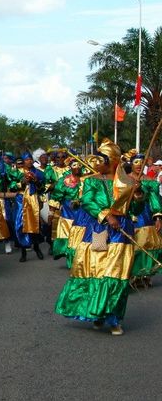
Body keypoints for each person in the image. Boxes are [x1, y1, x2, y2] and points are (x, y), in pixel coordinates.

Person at [55, 139, 140, 336]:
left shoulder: (127, 182)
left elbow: (135, 209)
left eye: (100, 159)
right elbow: (87, 201)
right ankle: (98, 313)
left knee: (116, 274)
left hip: (121, 232)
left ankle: (114, 318)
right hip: (99, 230)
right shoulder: (91, 180)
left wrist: (139, 194)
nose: (95, 163)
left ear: (112, 161)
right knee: (98, 270)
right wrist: (106, 215)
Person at [127, 153, 162, 287]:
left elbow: (154, 200)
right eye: (136, 162)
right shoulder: (124, 179)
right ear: (131, 164)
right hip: (130, 215)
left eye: (142, 162)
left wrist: (158, 217)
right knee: (134, 245)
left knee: (148, 244)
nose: (139, 165)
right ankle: (133, 273)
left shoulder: (150, 181)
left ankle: (145, 273)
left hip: (146, 216)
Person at [8, 152, 45, 262]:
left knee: (35, 224)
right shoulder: (16, 173)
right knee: (20, 225)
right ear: (23, 161)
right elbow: (12, 187)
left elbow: (42, 188)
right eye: (26, 159)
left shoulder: (37, 172)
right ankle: (23, 252)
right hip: (21, 200)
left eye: (30, 159)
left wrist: (36, 182)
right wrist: (21, 183)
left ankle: (37, 248)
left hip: (33, 199)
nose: (29, 161)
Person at [49, 157, 83, 267]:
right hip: (68, 214)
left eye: (79, 165)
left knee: (80, 239)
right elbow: (55, 197)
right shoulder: (64, 181)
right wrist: (51, 213)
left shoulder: (87, 179)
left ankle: (79, 260)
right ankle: (70, 261)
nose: (77, 168)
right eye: (74, 165)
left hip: (83, 214)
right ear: (70, 167)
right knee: (68, 238)